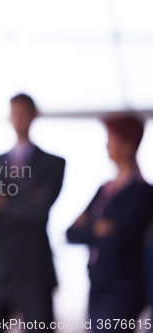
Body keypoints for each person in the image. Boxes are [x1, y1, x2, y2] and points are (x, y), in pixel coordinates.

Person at [0, 93, 65, 332]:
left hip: (34, 271)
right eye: (14, 113)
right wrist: (26, 200)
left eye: (23, 113)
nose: (18, 119)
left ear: (34, 115)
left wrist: (2, 203)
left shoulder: (54, 163)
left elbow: (40, 212)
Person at [67, 115, 153, 333]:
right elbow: (70, 233)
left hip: (123, 289)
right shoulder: (104, 189)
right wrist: (98, 228)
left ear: (127, 145)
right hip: (97, 283)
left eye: (111, 139)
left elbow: (118, 238)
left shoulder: (142, 192)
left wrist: (89, 227)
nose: (106, 146)